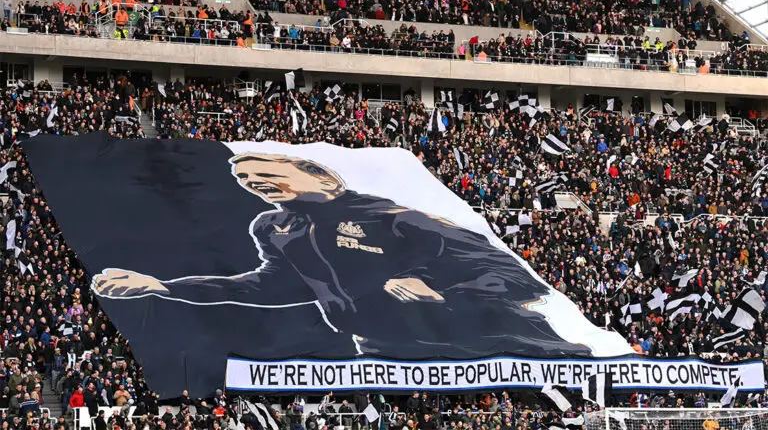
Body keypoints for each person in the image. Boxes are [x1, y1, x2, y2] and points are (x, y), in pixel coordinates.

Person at [92, 153, 596, 359]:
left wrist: (439, 290)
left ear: (324, 178)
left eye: (262, 170)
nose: (251, 182)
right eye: (243, 179)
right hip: (382, 351)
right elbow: (267, 288)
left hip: (489, 340)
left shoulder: (394, 216)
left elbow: (517, 277)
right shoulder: (274, 228)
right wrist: (163, 286)